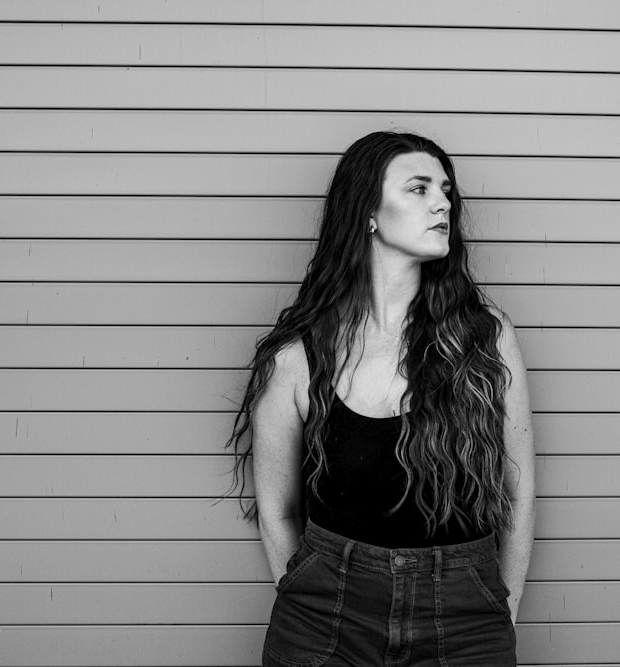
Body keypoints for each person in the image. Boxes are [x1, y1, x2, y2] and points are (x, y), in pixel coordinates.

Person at [227, 131, 535, 666]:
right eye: (418, 188)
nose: (442, 203)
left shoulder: (486, 340)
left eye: (445, 190)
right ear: (368, 212)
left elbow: (518, 493)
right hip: (328, 615)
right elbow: (279, 510)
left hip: (464, 615)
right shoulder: (297, 358)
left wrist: (500, 611)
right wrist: (302, 596)